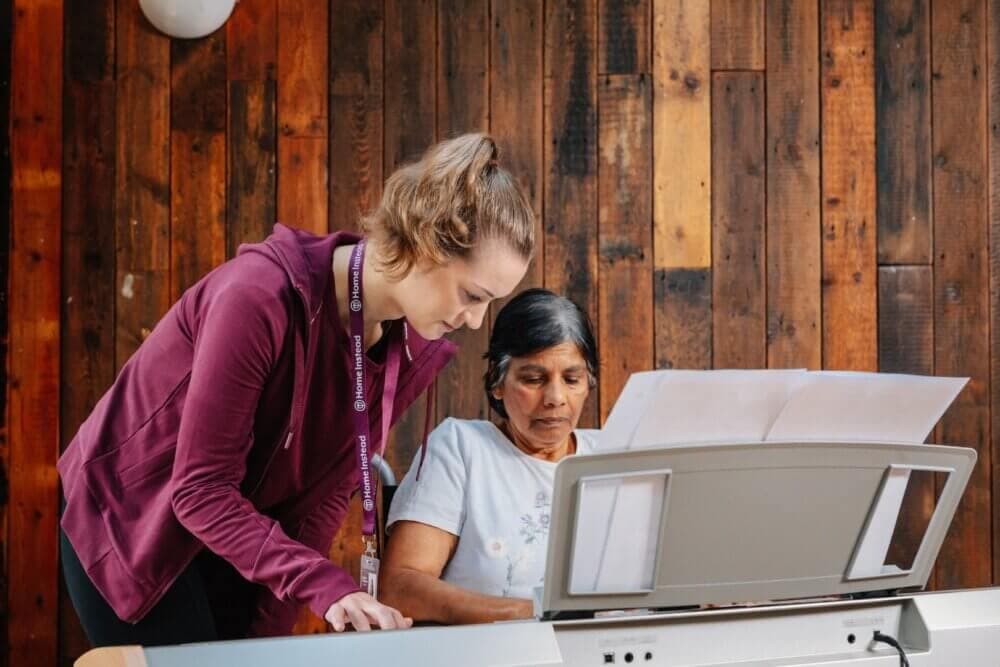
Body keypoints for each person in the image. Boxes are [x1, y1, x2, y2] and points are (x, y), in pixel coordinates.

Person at [58, 133, 534, 646]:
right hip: (135, 519)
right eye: (473, 295)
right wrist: (326, 587)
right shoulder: (257, 297)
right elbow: (199, 490)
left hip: (236, 534)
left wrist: (271, 638)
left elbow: (324, 495)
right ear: (425, 243)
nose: (475, 320)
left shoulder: (414, 346)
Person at [380, 289, 598, 624]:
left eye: (572, 379)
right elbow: (401, 587)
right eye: (533, 379)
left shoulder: (612, 455)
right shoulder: (462, 448)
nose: (555, 398)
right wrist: (534, 615)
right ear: (497, 381)